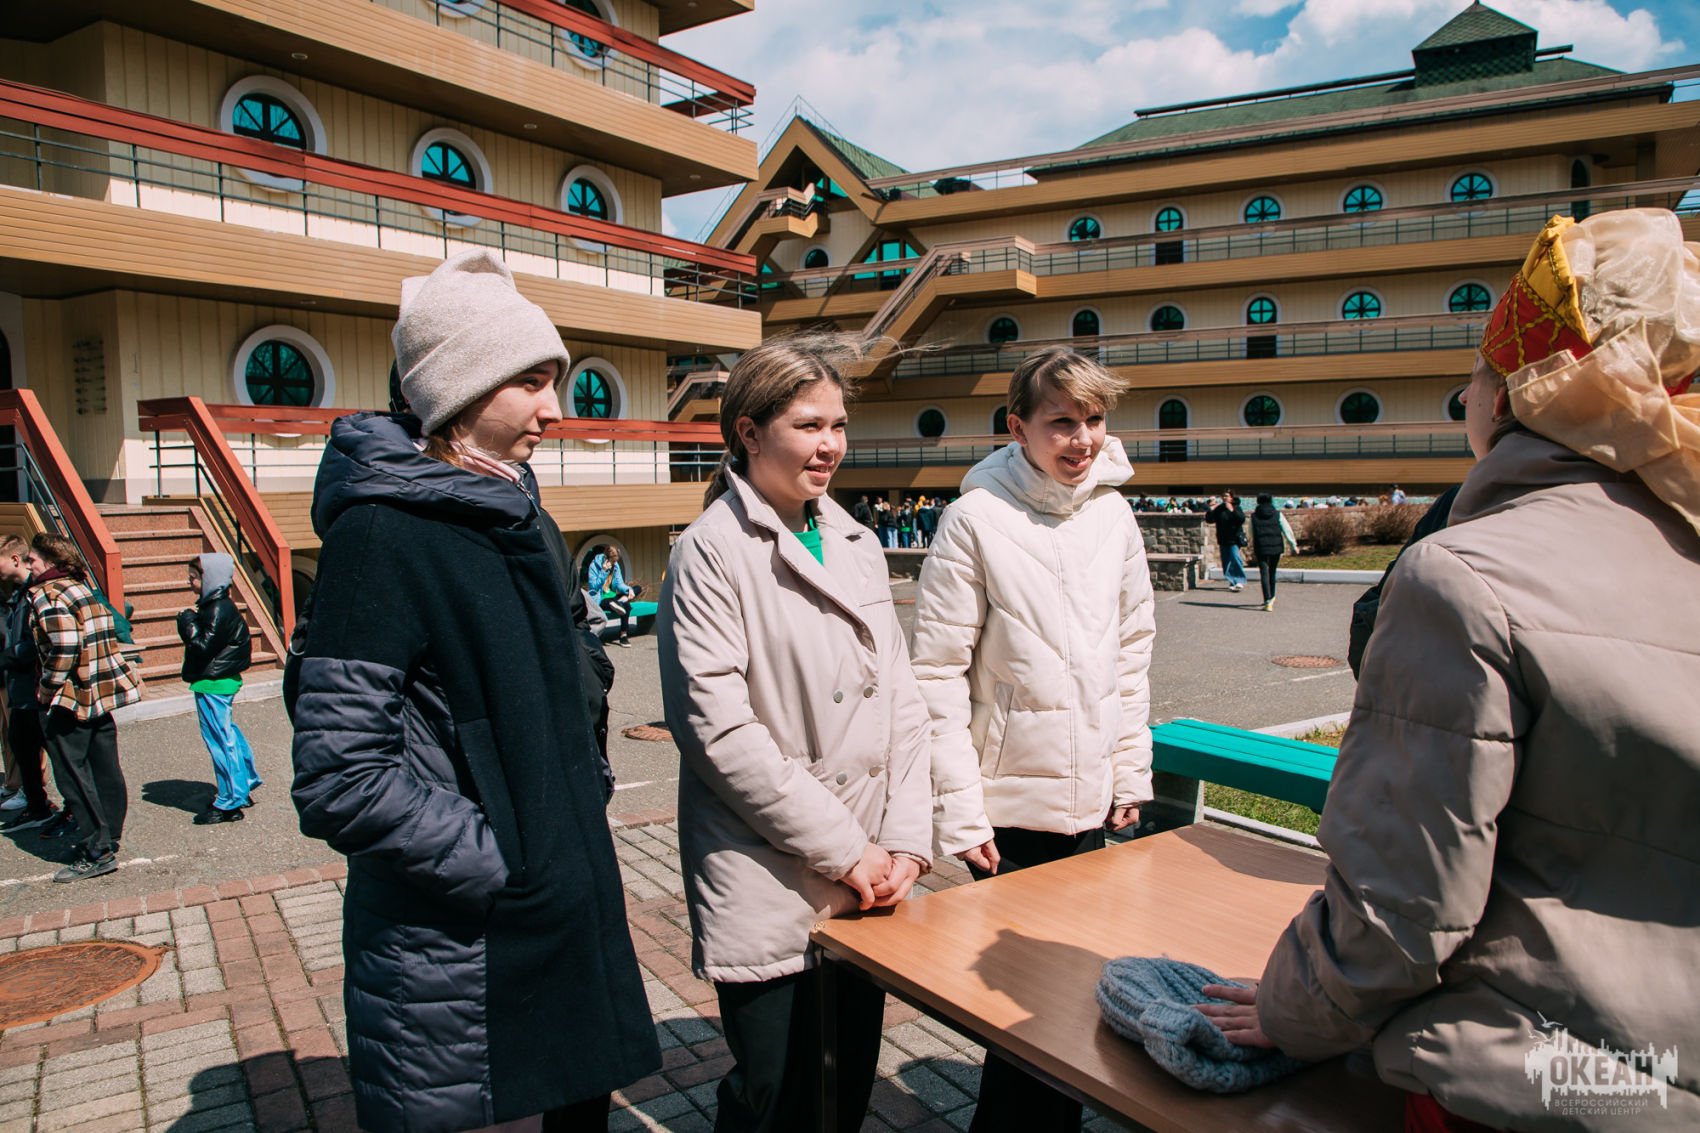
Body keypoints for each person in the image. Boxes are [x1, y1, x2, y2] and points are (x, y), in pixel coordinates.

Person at [1198, 210, 1700, 1128]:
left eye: (1473, 373)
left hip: (1529, 1082)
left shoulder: (1465, 577)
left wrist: (1291, 1007)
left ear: (1509, 396)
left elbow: (1402, 908)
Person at [290, 249, 658, 1133]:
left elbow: (568, 681)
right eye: (531, 380)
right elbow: (341, 775)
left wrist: (580, 794)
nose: (554, 408)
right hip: (462, 955)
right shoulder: (379, 534)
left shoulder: (521, 514)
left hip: (562, 926)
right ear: (458, 388)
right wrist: (505, 860)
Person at [659, 332, 933, 1133]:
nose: (831, 445)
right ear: (749, 432)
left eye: (838, 425)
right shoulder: (710, 551)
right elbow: (717, 730)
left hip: (871, 870)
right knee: (773, 1097)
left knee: (845, 1086)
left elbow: (903, 702)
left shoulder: (857, 540)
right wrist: (847, 848)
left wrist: (907, 841)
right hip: (768, 866)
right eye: (809, 425)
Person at [912, 346, 1154, 1133]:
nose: (1082, 438)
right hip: (1008, 814)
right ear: (1017, 427)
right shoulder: (975, 520)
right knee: (1023, 1024)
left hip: (1095, 808)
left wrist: (1129, 770)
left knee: (1077, 1009)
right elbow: (937, 675)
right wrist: (961, 811)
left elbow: (1132, 653)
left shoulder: (1114, 515)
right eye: (1061, 422)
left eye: (1093, 419)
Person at [27, 533, 141, 882]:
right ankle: (109, 836)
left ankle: (97, 850)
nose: (29, 566)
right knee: (105, 769)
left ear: (49, 561)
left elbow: (64, 647)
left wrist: (46, 689)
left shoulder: (49, 594)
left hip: (69, 699)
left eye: (32, 560)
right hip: (99, 694)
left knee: (74, 776)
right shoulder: (82, 589)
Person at [176, 554, 259, 825]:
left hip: (214, 681)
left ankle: (230, 801)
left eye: (194, 577)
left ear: (209, 579)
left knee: (220, 740)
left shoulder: (216, 608)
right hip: (219, 679)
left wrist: (187, 622)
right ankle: (243, 784)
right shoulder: (219, 606)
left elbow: (201, 646)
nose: (189, 581)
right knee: (227, 734)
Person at [0, 534, 55, 831]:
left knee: (56, 753)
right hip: (20, 687)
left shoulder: (34, 594)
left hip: (34, 688)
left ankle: (70, 813)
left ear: (14, 559)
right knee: (20, 744)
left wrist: (5, 657)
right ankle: (37, 807)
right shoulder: (18, 594)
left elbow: (34, 643)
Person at [1247, 494, 1297, 610]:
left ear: (1258, 501)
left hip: (1261, 547)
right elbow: (1287, 530)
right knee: (1272, 572)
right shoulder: (1278, 514)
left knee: (1264, 573)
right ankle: (1272, 596)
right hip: (1276, 547)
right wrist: (1293, 545)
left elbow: (1250, 533)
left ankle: (1267, 599)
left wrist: (1250, 544)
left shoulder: (1254, 516)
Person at [586, 544, 641, 648]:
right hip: (600, 598)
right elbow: (594, 587)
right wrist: (603, 571)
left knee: (637, 589)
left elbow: (619, 584)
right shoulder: (593, 566)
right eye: (613, 561)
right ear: (606, 559)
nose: (614, 563)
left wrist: (628, 590)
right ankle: (623, 635)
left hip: (612, 595)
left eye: (616, 561)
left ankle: (620, 602)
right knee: (626, 606)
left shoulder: (616, 566)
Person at [1205, 492, 1247, 592]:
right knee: (1226, 561)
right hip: (1223, 538)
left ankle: (1239, 580)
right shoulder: (1220, 509)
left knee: (1235, 558)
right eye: (1223, 496)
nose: (1224, 498)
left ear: (1231, 498)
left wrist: (1232, 510)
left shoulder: (1236, 507)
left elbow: (1241, 519)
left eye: (1227, 496)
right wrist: (1211, 510)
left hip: (1234, 538)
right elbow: (1210, 520)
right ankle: (1232, 581)